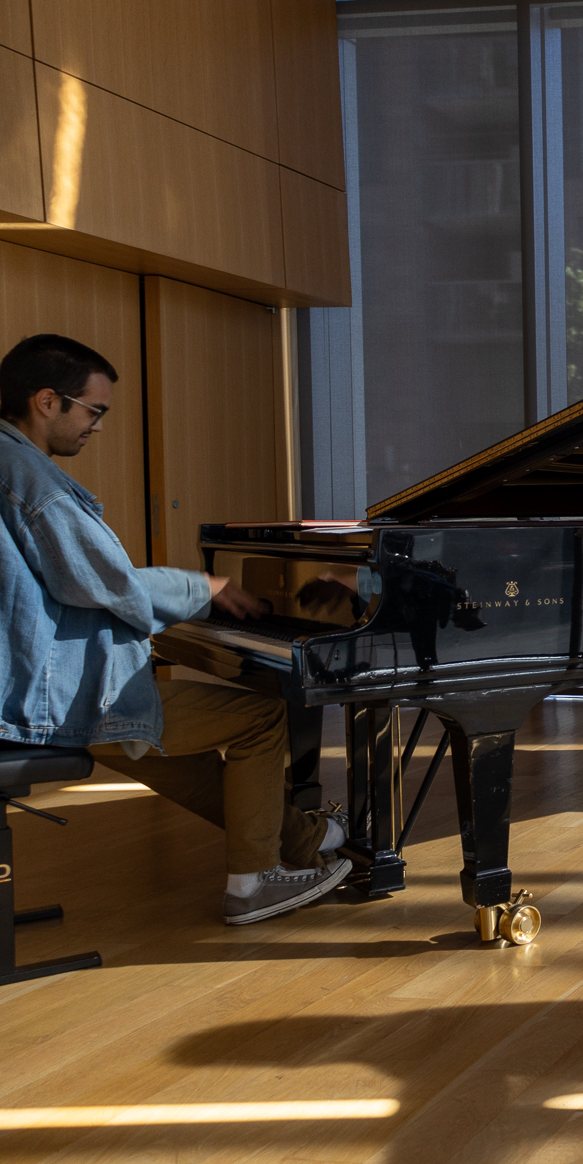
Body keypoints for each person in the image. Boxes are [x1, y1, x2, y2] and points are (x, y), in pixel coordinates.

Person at [0, 334, 351, 925]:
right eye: (94, 410)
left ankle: (303, 838)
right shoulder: (31, 477)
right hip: (49, 696)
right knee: (261, 720)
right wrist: (203, 588)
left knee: (162, 748)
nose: (98, 426)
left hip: (26, 684)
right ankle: (253, 884)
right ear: (47, 401)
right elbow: (106, 583)